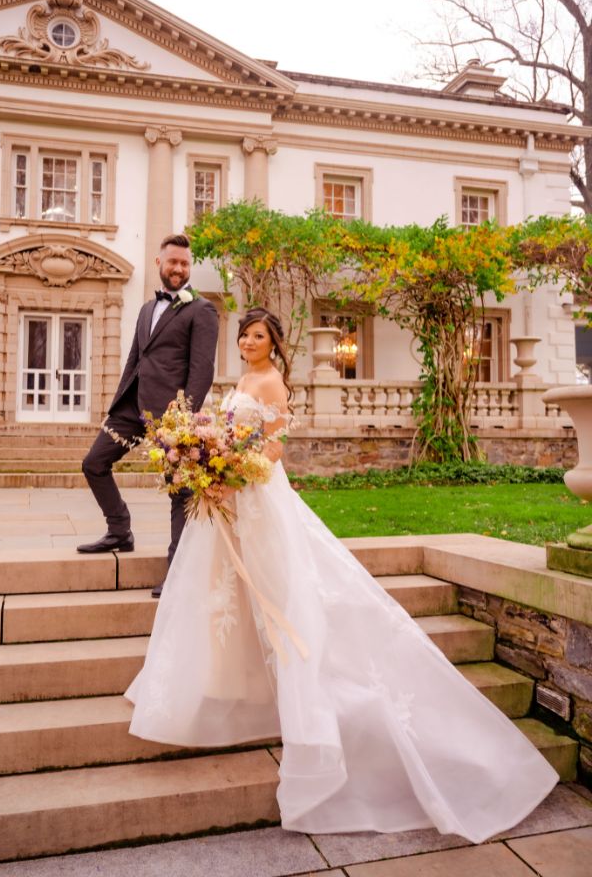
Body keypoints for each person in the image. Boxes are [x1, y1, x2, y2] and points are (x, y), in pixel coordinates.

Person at [126, 307, 558, 843]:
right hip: (230, 499)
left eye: (257, 336)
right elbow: (234, 434)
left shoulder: (274, 383)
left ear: (274, 343)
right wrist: (209, 464)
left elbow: (275, 448)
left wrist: (229, 475)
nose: (246, 341)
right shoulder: (241, 378)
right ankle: (228, 683)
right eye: (243, 334)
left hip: (258, 499)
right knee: (225, 594)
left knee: (282, 592)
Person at [78, 233, 218, 598]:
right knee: (94, 463)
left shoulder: (201, 309)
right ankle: (119, 530)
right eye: (173, 262)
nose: (179, 269)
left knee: (180, 490)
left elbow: (202, 370)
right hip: (132, 408)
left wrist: (185, 419)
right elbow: (136, 358)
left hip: (171, 415)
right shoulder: (145, 309)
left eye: (185, 264)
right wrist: (118, 402)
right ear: (160, 263)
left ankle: (178, 569)